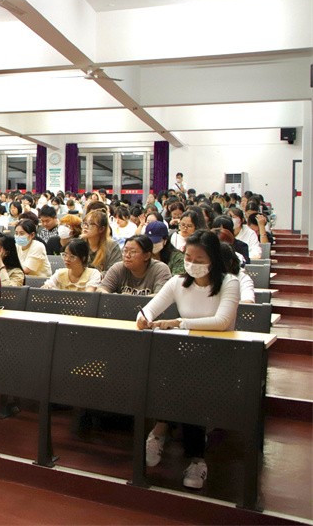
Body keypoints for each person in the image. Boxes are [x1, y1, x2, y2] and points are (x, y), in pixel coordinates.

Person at [138, 230, 240, 490]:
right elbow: (150, 308)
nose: (192, 264)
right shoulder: (178, 282)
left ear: (213, 259)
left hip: (219, 357)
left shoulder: (229, 283)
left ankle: (189, 454)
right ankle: (164, 435)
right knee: (169, 375)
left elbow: (222, 322)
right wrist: (144, 317)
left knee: (189, 384)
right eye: (188, 257)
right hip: (184, 357)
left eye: (199, 259)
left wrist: (178, 323)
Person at [98, 234, 172, 295]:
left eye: (133, 252)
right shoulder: (118, 268)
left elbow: (161, 297)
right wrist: (116, 297)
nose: (127, 255)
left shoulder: (160, 269)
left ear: (147, 256)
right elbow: (101, 290)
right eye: (125, 251)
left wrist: (131, 300)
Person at [82, 209, 122, 274]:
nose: (85, 227)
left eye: (91, 224)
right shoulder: (78, 244)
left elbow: (115, 272)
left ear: (101, 229)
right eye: (85, 223)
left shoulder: (112, 246)